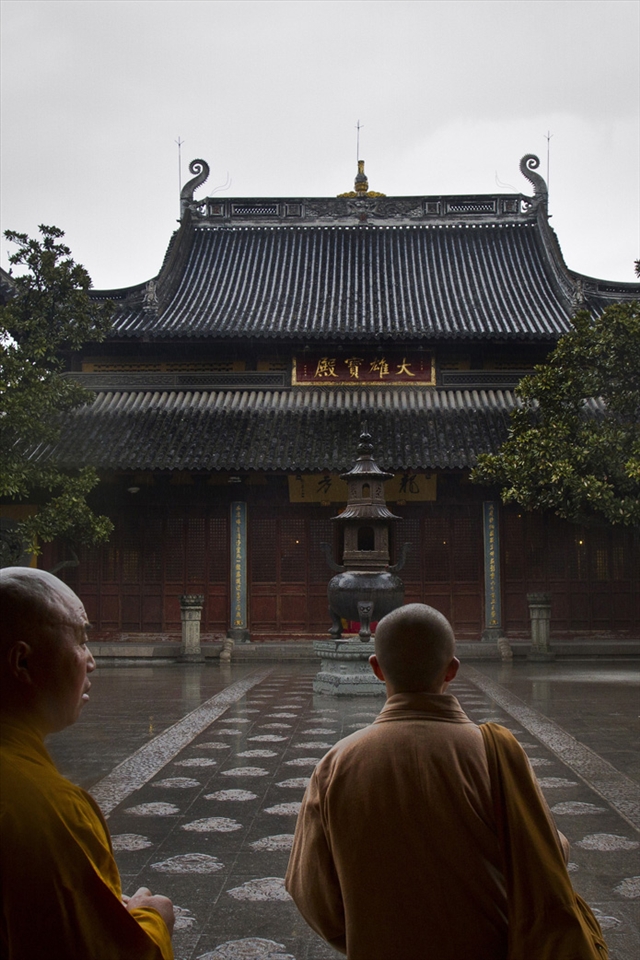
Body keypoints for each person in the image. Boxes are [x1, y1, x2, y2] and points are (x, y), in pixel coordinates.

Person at [286, 603, 606, 960]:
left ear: (376, 668)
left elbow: (310, 891)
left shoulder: (337, 765)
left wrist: (373, 934)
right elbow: (549, 855)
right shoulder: (495, 753)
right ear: (451, 670)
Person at [0, 566, 175, 960]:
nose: (91, 661)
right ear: (22, 662)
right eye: (80, 639)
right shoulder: (48, 812)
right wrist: (153, 920)